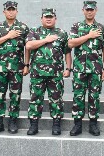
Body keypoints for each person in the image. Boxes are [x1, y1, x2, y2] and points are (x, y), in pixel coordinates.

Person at [25, 8, 72, 136]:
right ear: (41, 19)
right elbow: (28, 46)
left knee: (56, 100)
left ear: (55, 19)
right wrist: (46, 40)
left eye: (51, 17)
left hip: (55, 74)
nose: (49, 19)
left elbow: (67, 52)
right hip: (37, 73)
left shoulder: (61, 33)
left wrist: (68, 68)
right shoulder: (34, 31)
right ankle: (33, 125)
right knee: (35, 99)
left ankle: (56, 124)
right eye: (46, 17)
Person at [0, 0, 30, 134]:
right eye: (8, 10)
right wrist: (8, 36)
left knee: (15, 95)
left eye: (13, 10)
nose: (11, 12)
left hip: (17, 67)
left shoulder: (23, 27)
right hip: (0, 67)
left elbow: (28, 47)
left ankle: (13, 121)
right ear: (4, 12)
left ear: (17, 11)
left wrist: (26, 65)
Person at [68, 0, 104, 136]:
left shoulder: (102, 28)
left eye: (92, 10)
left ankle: (93, 124)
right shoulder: (76, 26)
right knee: (78, 96)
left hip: (96, 69)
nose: (89, 12)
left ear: (96, 11)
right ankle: (77, 124)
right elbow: (71, 43)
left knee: (94, 96)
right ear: (83, 10)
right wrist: (89, 36)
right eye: (87, 9)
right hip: (79, 69)